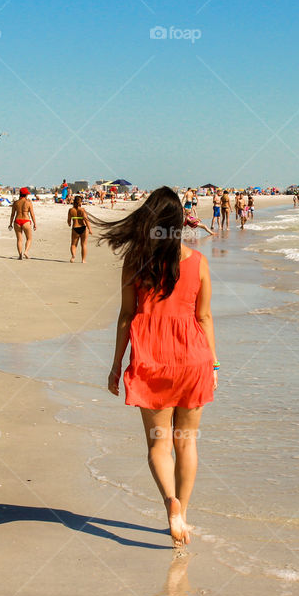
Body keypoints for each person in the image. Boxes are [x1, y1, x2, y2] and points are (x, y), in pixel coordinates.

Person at [97, 187, 217, 547]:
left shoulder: (135, 262)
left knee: (157, 445)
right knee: (187, 442)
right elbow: (205, 316)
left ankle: (170, 503)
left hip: (151, 359)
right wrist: (213, 364)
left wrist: (117, 364)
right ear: (180, 223)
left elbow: (126, 316)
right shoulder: (197, 261)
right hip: (193, 357)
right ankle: (183, 514)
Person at [9, 187, 36, 259]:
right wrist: (35, 224)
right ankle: (26, 252)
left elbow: (12, 215)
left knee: (19, 239)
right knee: (29, 238)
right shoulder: (28, 202)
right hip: (26, 221)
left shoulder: (15, 203)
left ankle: (20, 255)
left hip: (17, 221)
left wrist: (10, 224)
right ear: (26, 194)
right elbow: (32, 214)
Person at [67, 195, 92, 263]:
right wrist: (90, 229)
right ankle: (83, 260)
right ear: (80, 202)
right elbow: (86, 220)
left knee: (73, 244)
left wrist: (69, 223)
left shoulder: (71, 210)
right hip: (83, 228)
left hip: (75, 228)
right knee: (84, 245)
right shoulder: (82, 210)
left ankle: (73, 256)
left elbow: (69, 220)